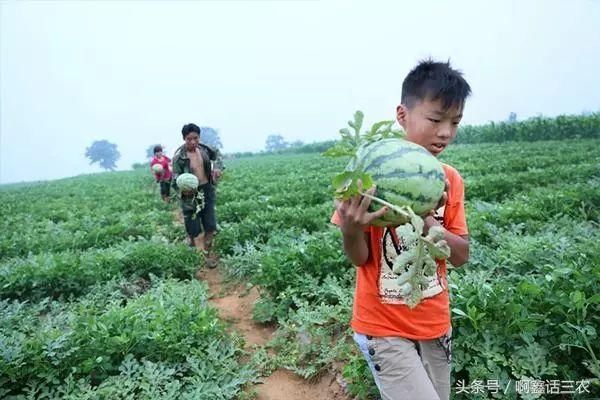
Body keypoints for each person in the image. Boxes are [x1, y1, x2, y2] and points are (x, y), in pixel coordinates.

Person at [332, 59, 472, 400]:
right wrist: (350, 230)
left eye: (455, 122)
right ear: (402, 114)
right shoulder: (367, 179)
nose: (445, 132)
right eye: (436, 120)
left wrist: (424, 218)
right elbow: (360, 258)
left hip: (435, 325)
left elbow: (461, 256)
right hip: (382, 327)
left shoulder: (449, 179)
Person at [172, 123, 224, 268]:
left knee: (210, 226)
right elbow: (174, 182)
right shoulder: (179, 158)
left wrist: (218, 169)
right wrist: (183, 190)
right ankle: (193, 253)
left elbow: (218, 156)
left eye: (196, 138)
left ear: (199, 137)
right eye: (189, 139)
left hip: (207, 190)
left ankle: (207, 256)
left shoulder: (205, 150)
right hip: (190, 196)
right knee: (193, 229)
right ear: (184, 139)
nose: (193, 142)